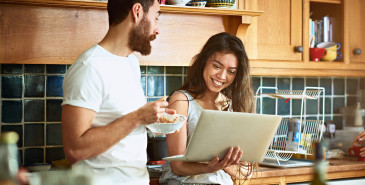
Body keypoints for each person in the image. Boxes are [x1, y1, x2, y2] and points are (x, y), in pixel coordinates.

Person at [61, 0, 175, 184]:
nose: (157, 29)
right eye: (156, 17)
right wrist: (138, 117)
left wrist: (153, 118)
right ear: (137, 12)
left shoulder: (130, 63)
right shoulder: (89, 67)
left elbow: (121, 123)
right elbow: (75, 150)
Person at [159, 32, 257, 185]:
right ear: (204, 62)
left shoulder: (232, 106)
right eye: (217, 66)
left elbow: (245, 172)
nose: (222, 76)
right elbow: (177, 166)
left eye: (231, 71)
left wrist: (224, 164)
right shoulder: (181, 101)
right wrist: (210, 167)